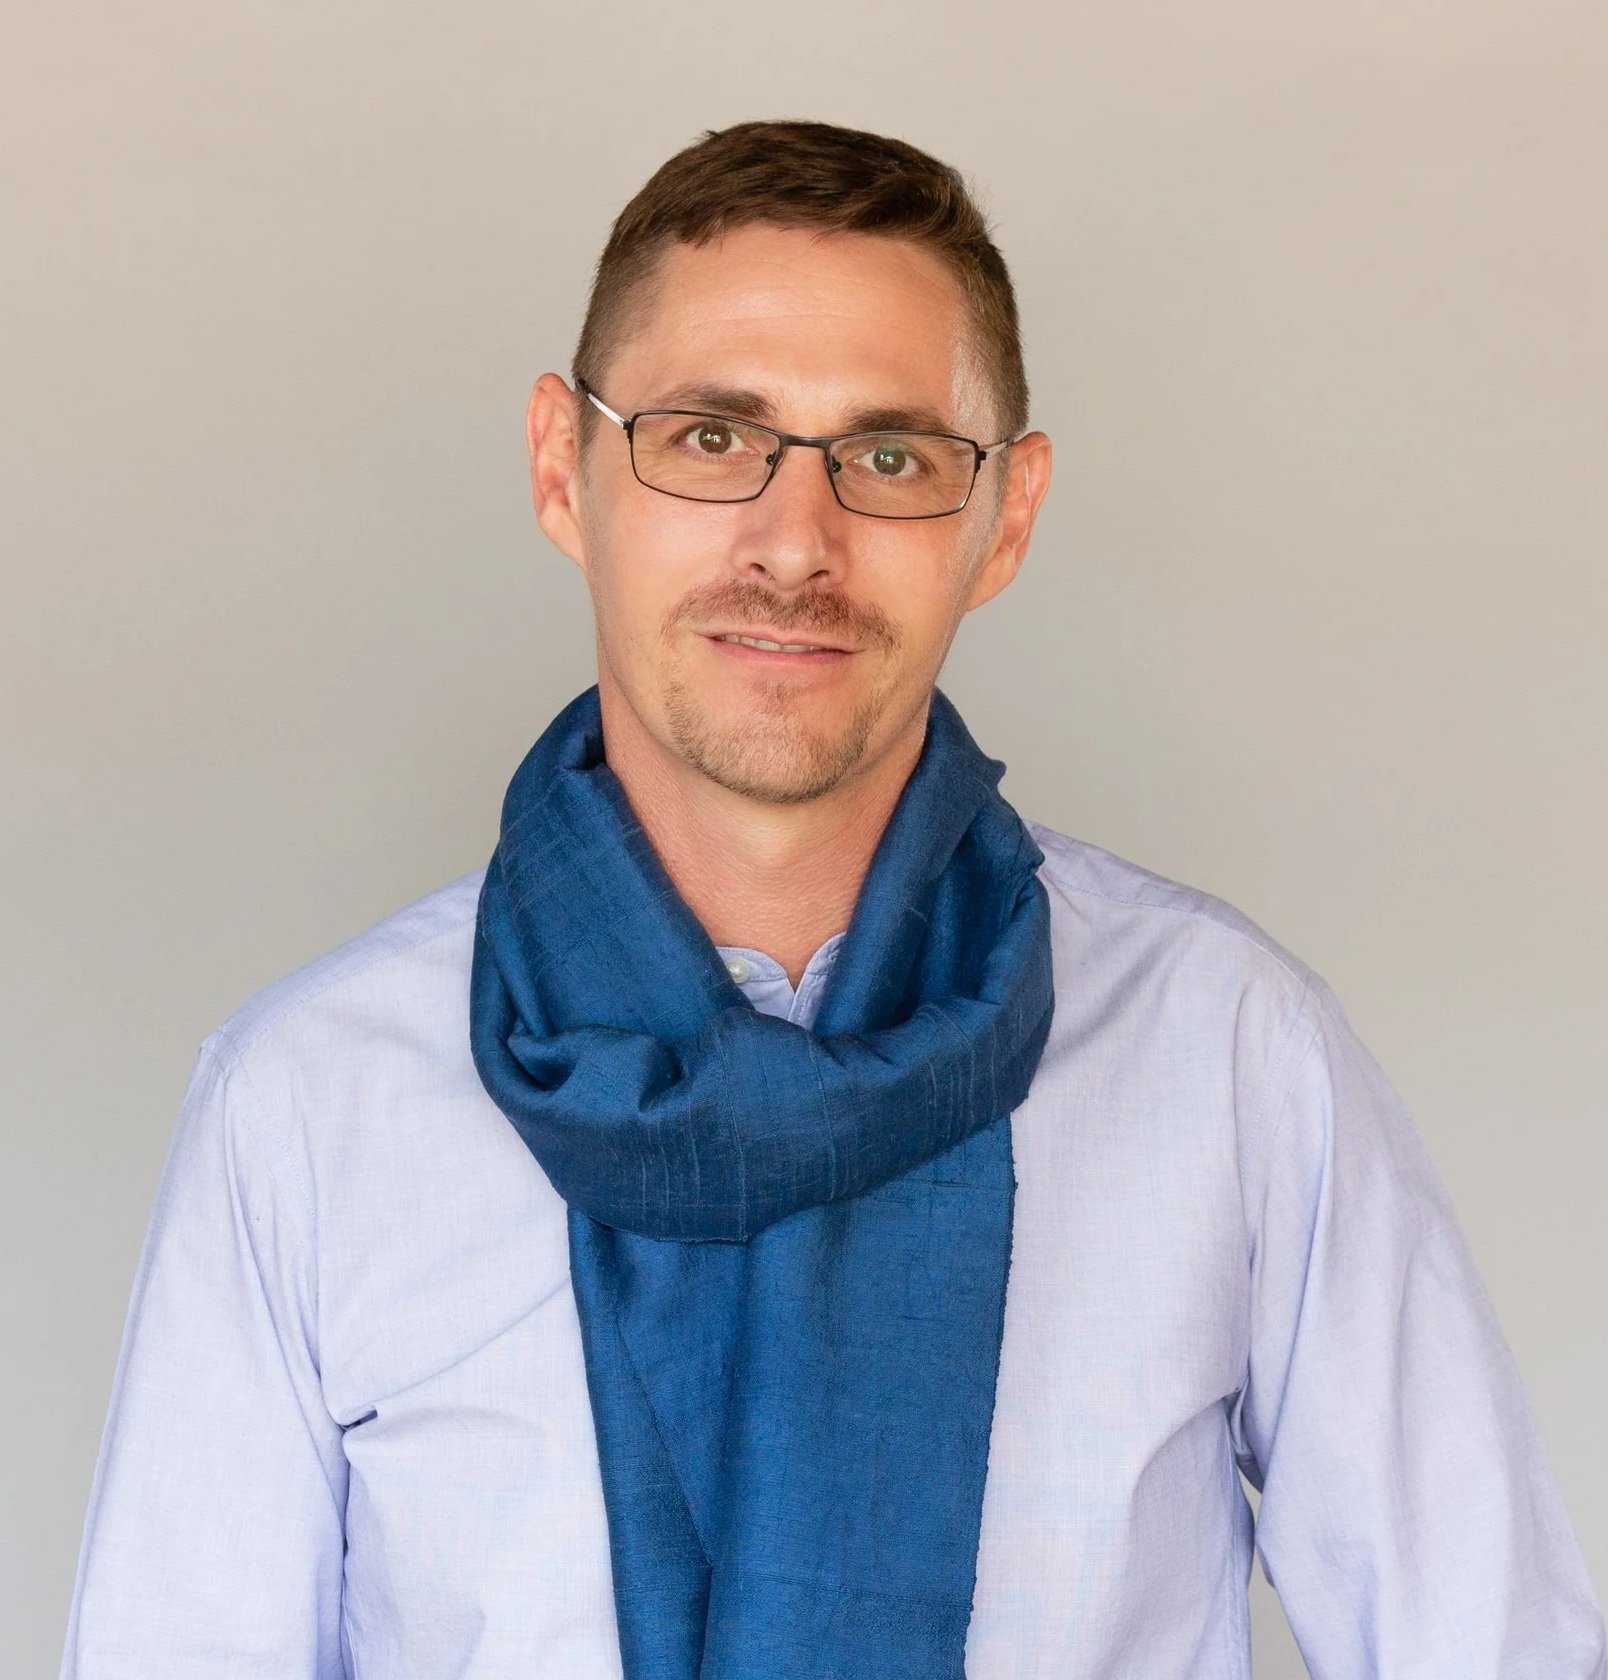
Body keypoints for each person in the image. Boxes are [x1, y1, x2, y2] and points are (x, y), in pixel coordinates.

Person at [60, 119, 1604, 1680]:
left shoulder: (1229, 1061)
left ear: (1004, 517)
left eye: (890, 457)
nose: (795, 544)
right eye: (710, 437)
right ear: (560, 468)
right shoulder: (313, 1107)